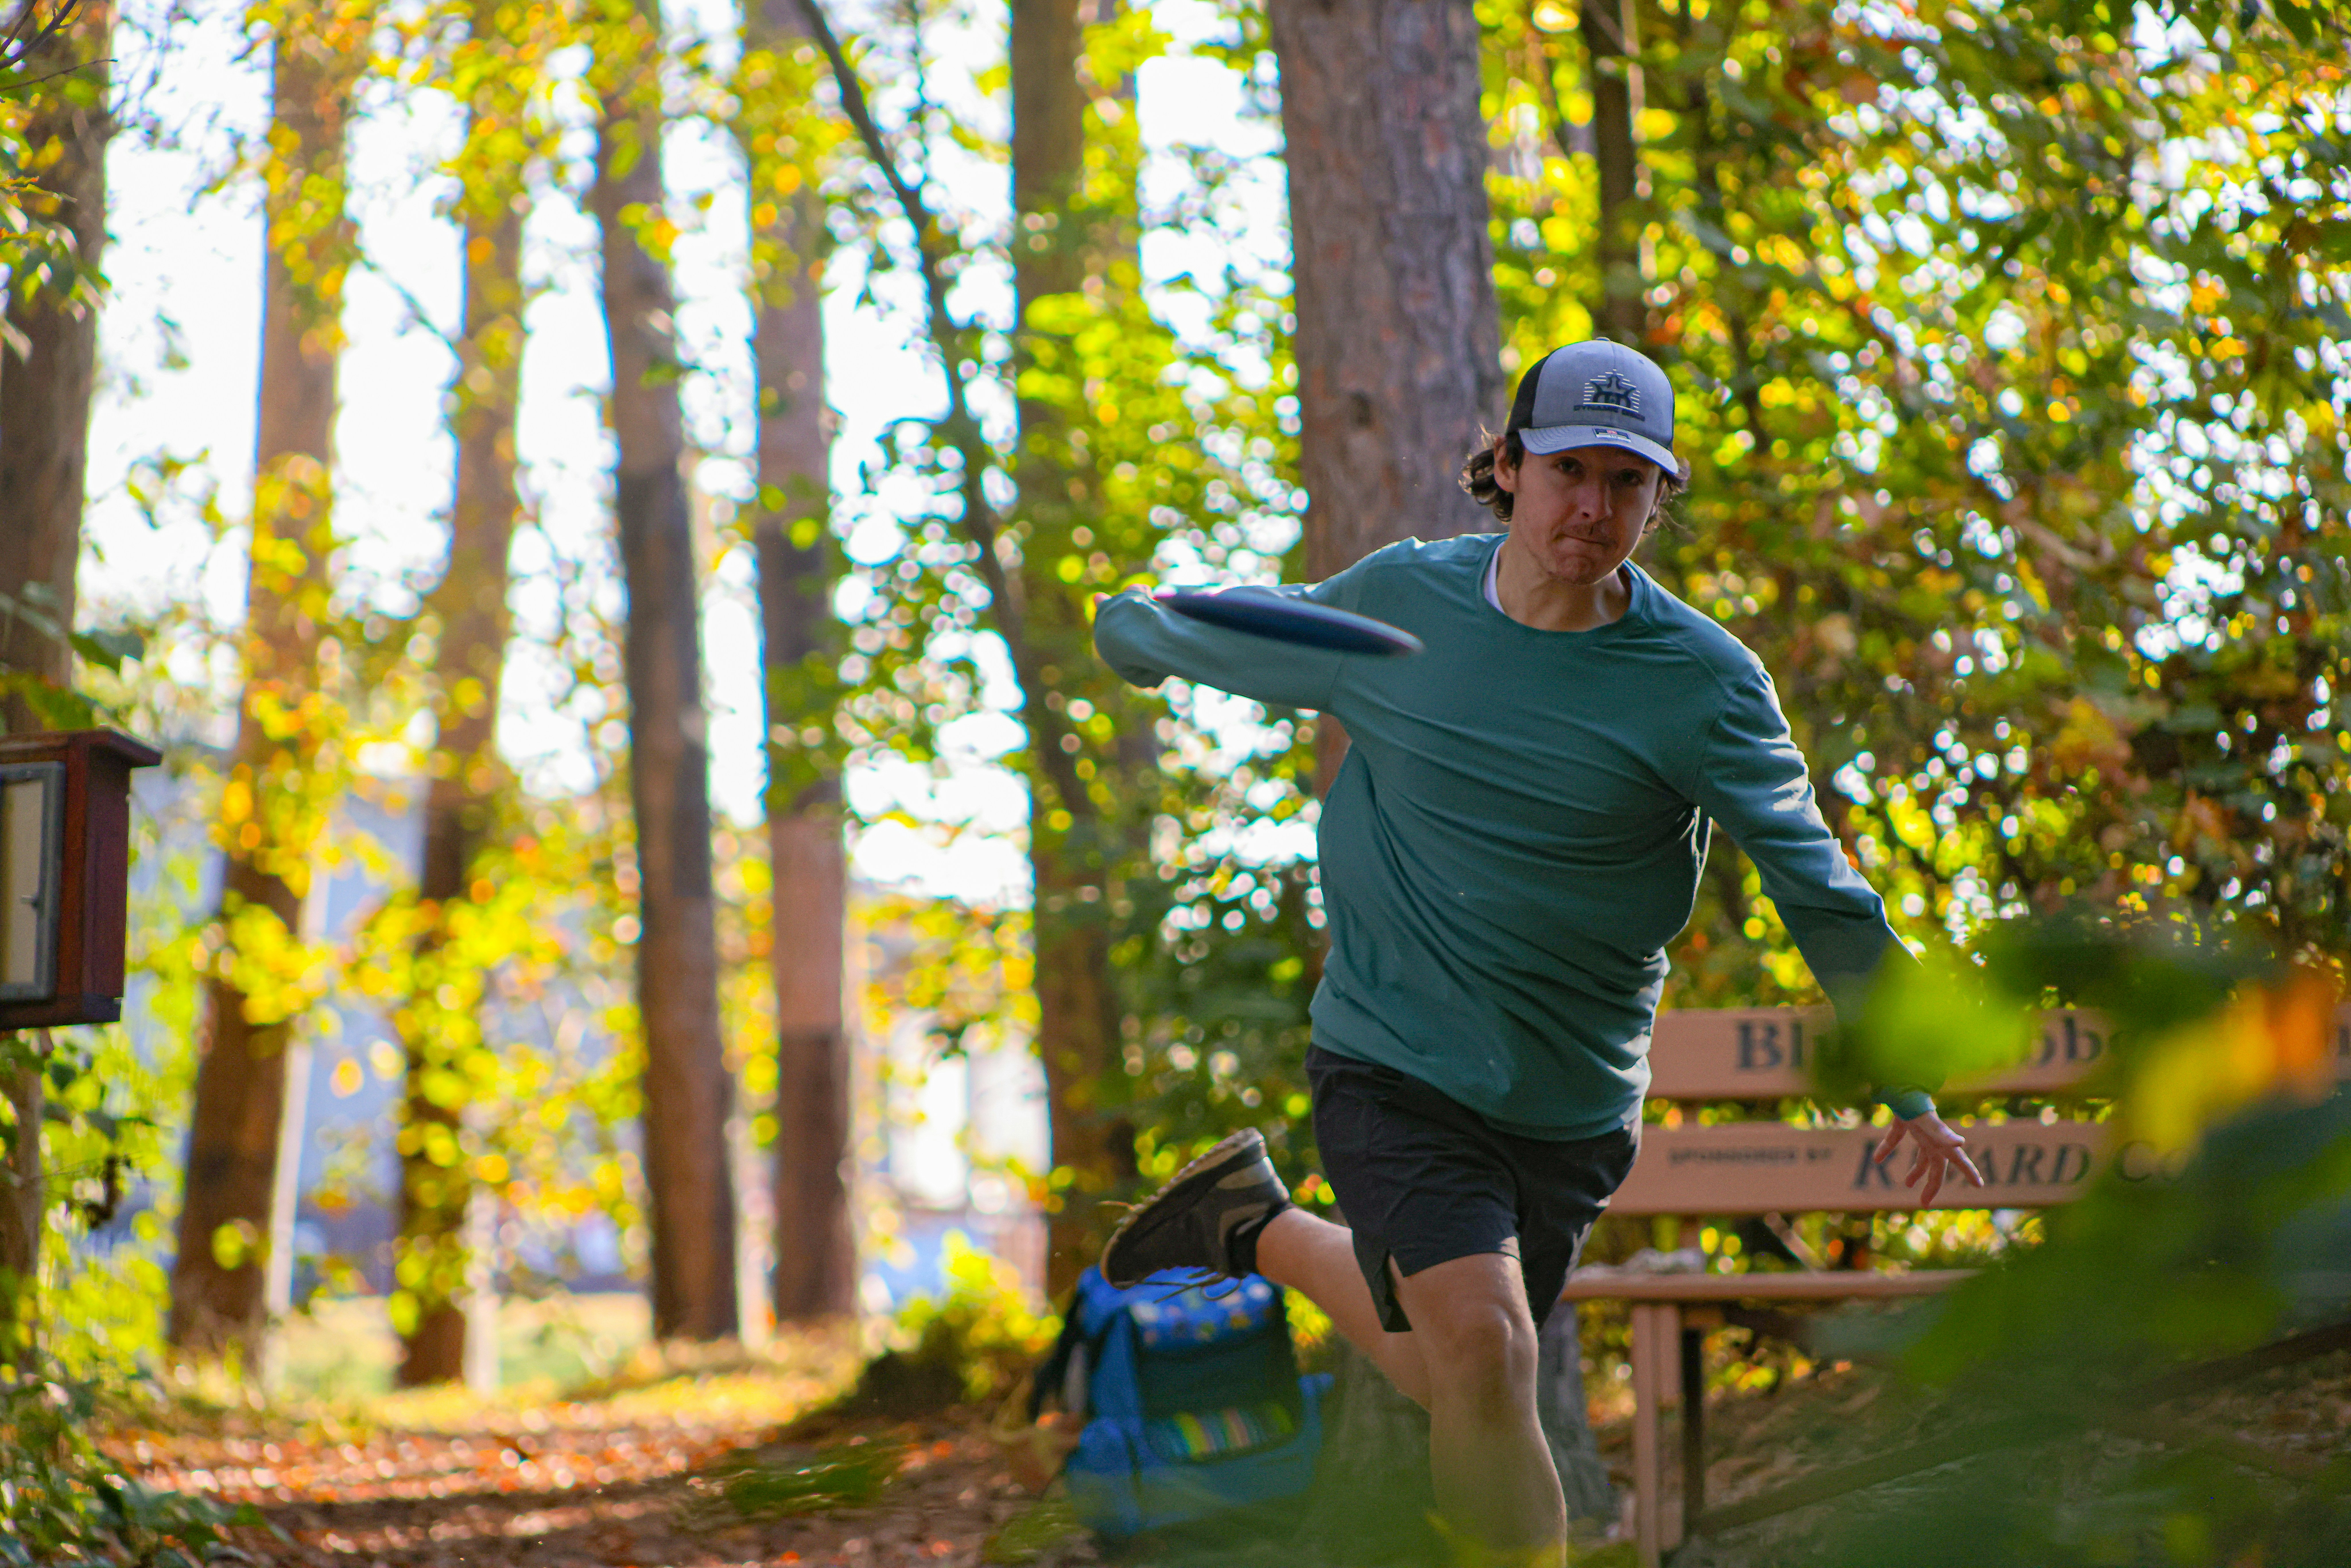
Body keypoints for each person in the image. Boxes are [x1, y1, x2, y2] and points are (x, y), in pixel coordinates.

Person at [1087, 340, 1985, 1566]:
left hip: (1567, 1098)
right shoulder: (1401, 607)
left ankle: (1258, 1226)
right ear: (1506, 467)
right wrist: (1133, 631)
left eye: (1627, 482)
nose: (1593, 508)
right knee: (1486, 1351)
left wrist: (1907, 1081)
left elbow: (1817, 886)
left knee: (1450, 1369)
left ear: (1657, 498)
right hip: (1393, 1055)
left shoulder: (1701, 684)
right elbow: (1253, 633)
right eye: (1569, 471)